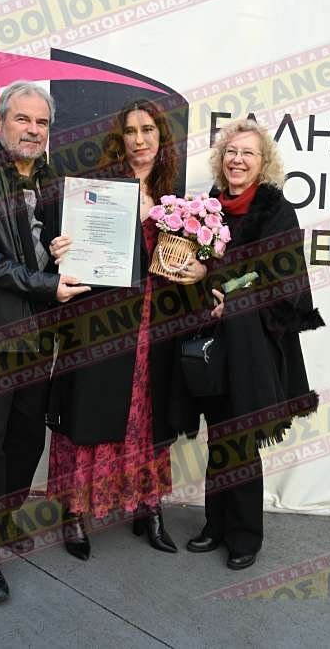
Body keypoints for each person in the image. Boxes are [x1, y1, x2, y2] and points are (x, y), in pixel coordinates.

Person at [0, 81, 90, 604]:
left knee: (25, 440)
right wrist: (48, 284)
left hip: (39, 334)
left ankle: (1, 519)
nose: (33, 130)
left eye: (42, 122)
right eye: (23, 119)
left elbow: (45, 249)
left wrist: (63, 251)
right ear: (0, 121)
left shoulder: (50, 179)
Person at [46, 98, 205, 559]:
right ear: (121, 140)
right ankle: (75, 513)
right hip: (104, 323)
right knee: (89, 409)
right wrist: (61, 248)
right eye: (131, 131)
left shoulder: (175, 197)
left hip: (156, 324)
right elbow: (72, 256)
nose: (140, 140)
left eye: (148, 130)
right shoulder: (98, 191)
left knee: (148, 414)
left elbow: (186, 265)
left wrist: (198, 270)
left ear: (161, 137)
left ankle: (147, 508)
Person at [183, 119, 325, 570]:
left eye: (247, 153)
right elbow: (196, 264)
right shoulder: (209, 205)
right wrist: (201, 279)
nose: (238, 160)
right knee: (218, 431)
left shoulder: (276, 209)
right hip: (212, 339)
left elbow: (284, 277)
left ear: (263, 163)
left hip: (254, 343)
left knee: (240, 435)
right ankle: (215, 524)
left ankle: (244, 535)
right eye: (231, 151)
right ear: (221, 159)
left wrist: (234, 297)